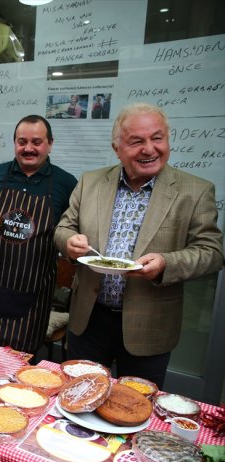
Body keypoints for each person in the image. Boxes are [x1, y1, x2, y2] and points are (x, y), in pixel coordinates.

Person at [54, 103, 224, 388]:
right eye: (136, 141)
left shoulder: (194, 191)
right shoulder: (91, 182)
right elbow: (64, 227)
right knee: (78, 396)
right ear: (117, 148)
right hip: (89, 319)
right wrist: (69, 242)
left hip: (150, 324)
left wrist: (167, 264)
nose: (149, 149)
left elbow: (213, 252)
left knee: (136, 408)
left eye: (157, 138)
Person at [0, 115, 77, 355]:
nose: (28, 148)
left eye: (37, 142)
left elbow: (69, 229)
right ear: (14, 143)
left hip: (33, 295)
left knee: (21, 369)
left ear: (50, 143)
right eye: (22, 141)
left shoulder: (65, 183)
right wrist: (2, 243)